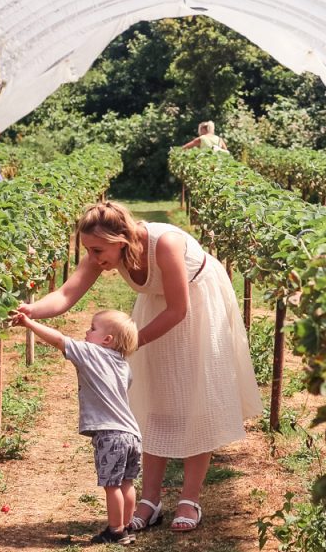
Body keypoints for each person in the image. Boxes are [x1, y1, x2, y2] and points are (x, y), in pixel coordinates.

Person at [13, 201, 261, 532]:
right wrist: (30, 311)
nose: (95, 258)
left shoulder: (166, 245)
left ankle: (189, 499)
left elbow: (177, 310)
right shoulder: (103, 251)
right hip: (156, 306)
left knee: (195, 399)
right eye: (89, 250)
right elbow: (66, 295)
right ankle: (150, 500)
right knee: (154, 397)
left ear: (121, 239)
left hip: (196, 304)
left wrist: (131, 343)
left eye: (98, 249)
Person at [14, 308, 141, 546]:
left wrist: (29, 324)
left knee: (111, 484)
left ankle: (115, 531)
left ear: (107, 340)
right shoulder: (124, 366)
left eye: (93, 328)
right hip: (132, 433)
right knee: (127, 482)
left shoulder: (92, 352)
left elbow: (59, 340)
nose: (86, 331)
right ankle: (127, 525)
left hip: (110, 433)